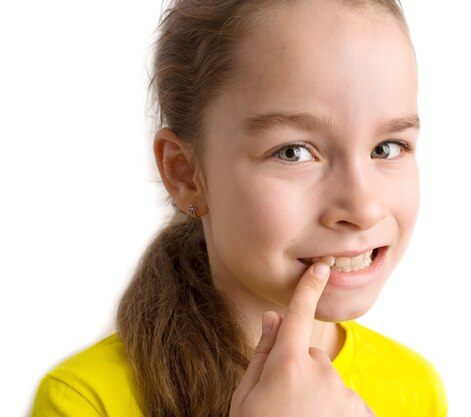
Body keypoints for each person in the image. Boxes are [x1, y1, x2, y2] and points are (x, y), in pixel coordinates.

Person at [31, 0, 447, 415]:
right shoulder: (85, 401)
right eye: (293, 152)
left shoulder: (415, 388)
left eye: (387, 147)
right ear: (185, 173)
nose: (363, 207)